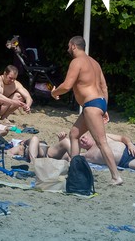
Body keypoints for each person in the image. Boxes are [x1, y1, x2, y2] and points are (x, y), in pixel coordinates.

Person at [51, 36, 122, 185]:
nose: (68, 49)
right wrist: (104, 108)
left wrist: (54, 92)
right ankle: (74, 170)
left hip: (91, 104)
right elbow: (104, 87)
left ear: (73, 46)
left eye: (68, 46)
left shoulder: (77, 62)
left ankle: (116, 176)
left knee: (101, 142)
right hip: (98, 102)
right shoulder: (95, 63)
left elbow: (67, 85)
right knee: (74, 134)